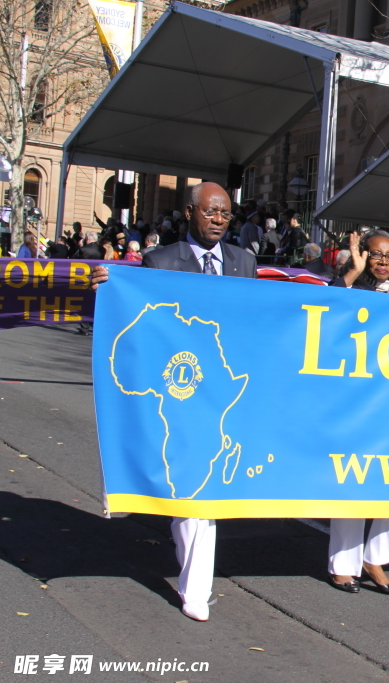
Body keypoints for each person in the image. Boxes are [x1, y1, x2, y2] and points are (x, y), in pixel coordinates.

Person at [90, 182, 257, 622]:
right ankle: (196, 590)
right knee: (193, 488)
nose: (219, 220)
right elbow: (137, 314)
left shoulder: (244, 262)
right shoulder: (160, 260)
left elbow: (263, 317)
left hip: (221, 390)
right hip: (178, 391)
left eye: (226, 214)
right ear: (189, 214)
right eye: (211, 212)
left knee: (201, 489)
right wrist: (109, 286)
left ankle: (191, 570)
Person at [326, 229, 389, 595]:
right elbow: (326, 306)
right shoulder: (352, 288)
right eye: (376, 255)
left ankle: (376, 559)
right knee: (355, 479)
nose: (384, 262)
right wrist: (352, 270)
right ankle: (344, 564)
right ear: (364, 254)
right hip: (356, 401)